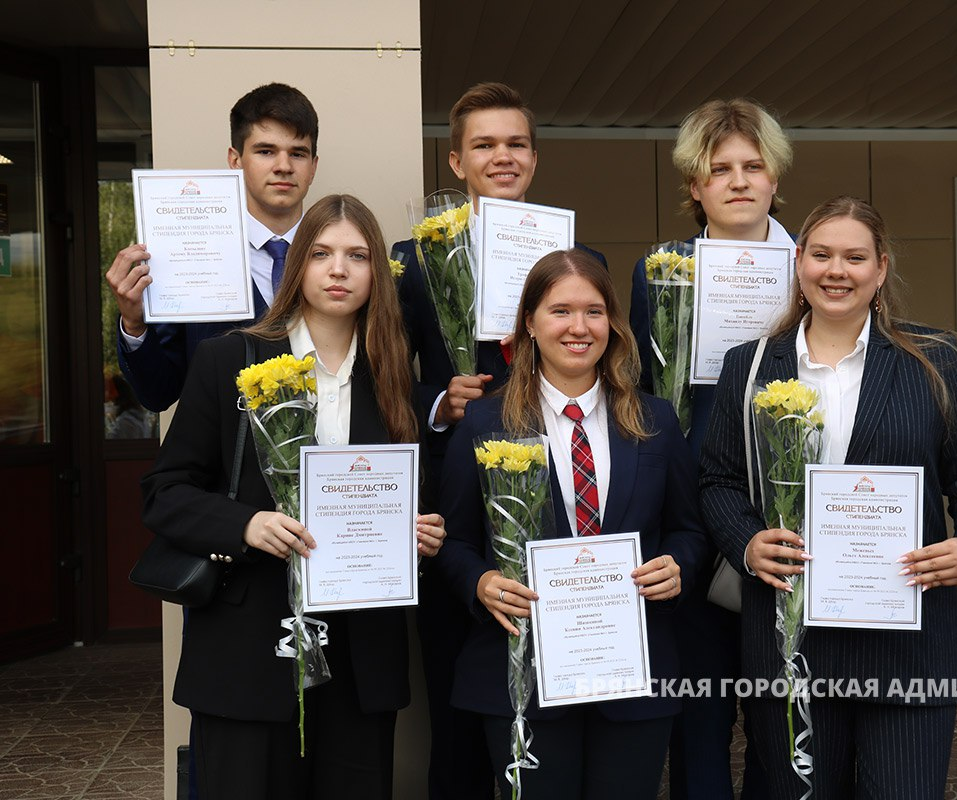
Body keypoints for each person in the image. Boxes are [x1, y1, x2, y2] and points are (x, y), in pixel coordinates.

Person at [700, 195, 957, 799]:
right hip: (791, 640)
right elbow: (719, 480)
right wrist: (745, 542)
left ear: (881, 269)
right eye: (821, 254)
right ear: (799, 262)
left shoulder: (935, 362)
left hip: (907, 639)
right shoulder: (750, 365)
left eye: (854, 257)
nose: (835, 270)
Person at [142, 194, 446, 799]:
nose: (339, 270)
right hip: (247, 651)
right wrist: (245, 524)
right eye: (322, 253)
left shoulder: (394, 381)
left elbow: (420, 503)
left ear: (376, 274)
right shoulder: (230, 358)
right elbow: (164, 493)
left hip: (361, 666)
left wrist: (422, 533)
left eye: (357, 256)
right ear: (296, 267)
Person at [392, 81, 608, 800]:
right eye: (484, 145)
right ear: (457, 161)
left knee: (557, 686)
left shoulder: (579, 256)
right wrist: (441, 405)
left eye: (516, 143)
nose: (502, 156)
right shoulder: (414, 258)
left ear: (535, 157)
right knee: (459, 696)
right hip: (459, 502)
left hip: (563, 495)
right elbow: (387, 379)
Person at [437, 249, 708, 800]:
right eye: (560, 311)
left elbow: (689, 529)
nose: (578, 327)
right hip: (523, 675)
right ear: (531, 324)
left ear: (612, 322)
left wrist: (678, 565)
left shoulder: (655, 420)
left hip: (632, 676)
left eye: (594, 311)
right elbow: (455, 539)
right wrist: (479, 582)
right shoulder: (486, 423)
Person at [628, 97, 794, 800]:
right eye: (718, 168)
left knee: (779, 724)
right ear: (694, 187)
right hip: (690, 526)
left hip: (783, 529)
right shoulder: (661, 274)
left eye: (753, 165)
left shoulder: (813, 269)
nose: (738, 180)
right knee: (695, 721)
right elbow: (633, 397)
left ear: (775, 178)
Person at [107, 82, 319, 411]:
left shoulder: (342, 255)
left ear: (313, 166)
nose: (283, 166)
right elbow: (159, 393)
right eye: (266, 151)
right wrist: (134, 325)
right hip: (223, 457)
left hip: (322, 453)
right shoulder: (187, 257)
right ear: (235, 160)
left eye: (297, 153)